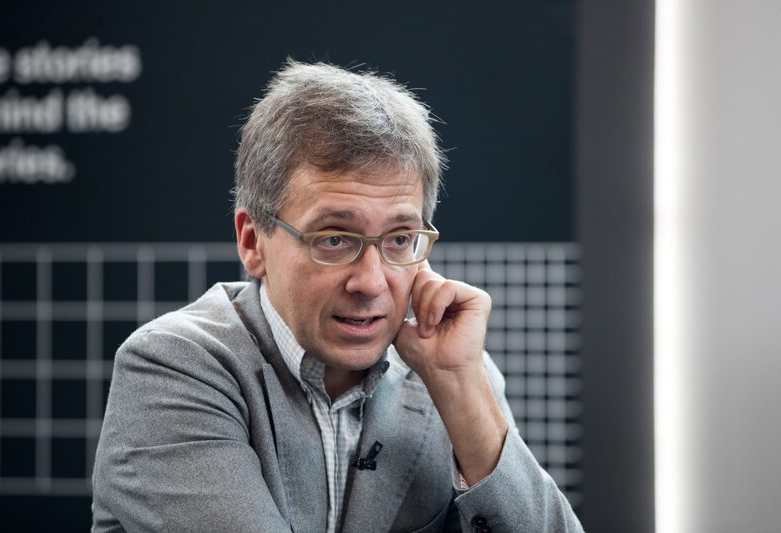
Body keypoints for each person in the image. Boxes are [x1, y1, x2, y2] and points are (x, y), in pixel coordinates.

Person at [92, 60, 583, 533]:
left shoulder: (453, 372)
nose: (371, 282)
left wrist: (461, 386)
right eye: (334, 239)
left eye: (398, 239)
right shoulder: (171, 368)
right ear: (252, 242)